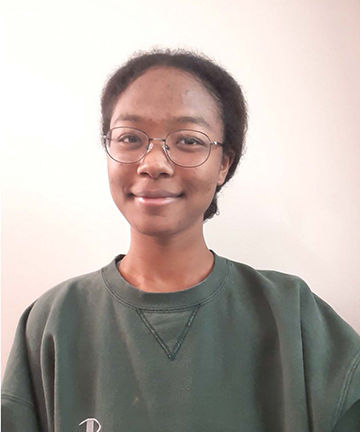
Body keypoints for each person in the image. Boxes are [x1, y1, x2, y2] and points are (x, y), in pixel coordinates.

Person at [2, 49, 360, 432]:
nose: (153, 163)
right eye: (130, 138)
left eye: (189, 140)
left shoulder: (293, 315)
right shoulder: (52, 322)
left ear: (224, 164)